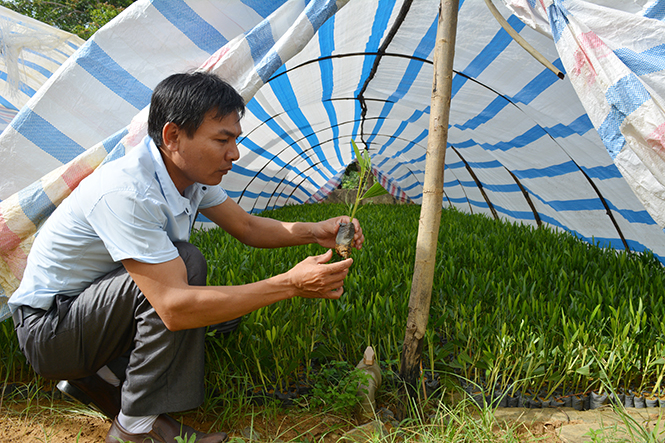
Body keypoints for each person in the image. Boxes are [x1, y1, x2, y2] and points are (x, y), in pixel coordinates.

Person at [8, 71, 363, 443]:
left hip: (88, 316)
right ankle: (132, 430)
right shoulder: (127, 190)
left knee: (203, 288)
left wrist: (314, 230)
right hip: (50, 331)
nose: (234, 153)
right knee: (185, 273)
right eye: (222, 140)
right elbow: (174, 308)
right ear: (173, 136)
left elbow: (247, 227)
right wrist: (288, 284)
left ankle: (106, 384)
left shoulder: (187, 176)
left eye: (235, 139)